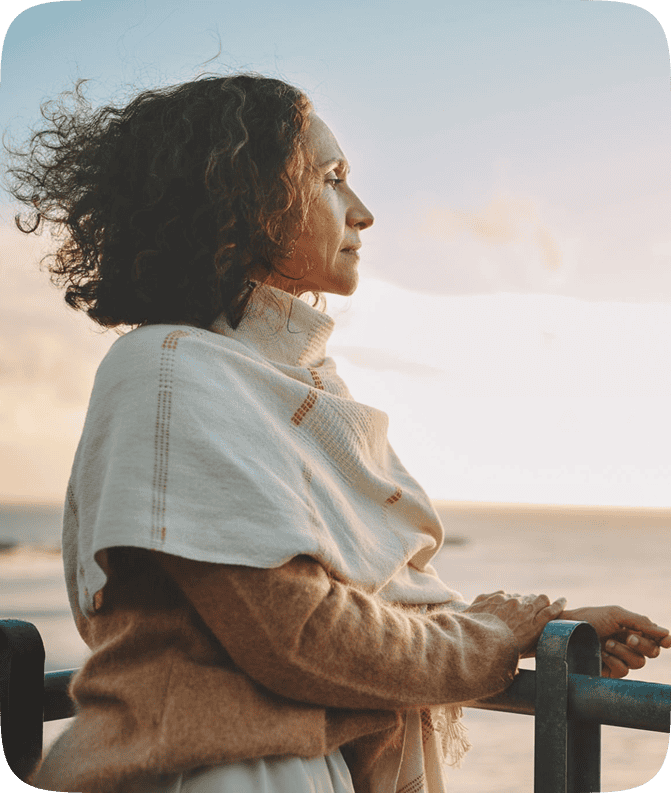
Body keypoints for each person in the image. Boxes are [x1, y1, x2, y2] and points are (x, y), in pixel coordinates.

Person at [6, 73, 670, 793]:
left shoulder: (286, 382)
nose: (363, 212)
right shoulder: (168, 368)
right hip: (221, 775)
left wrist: (546, 627)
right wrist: (497, 636)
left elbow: (371, 609)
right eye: (331, 178)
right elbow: (302, 636)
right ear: (244, 201)